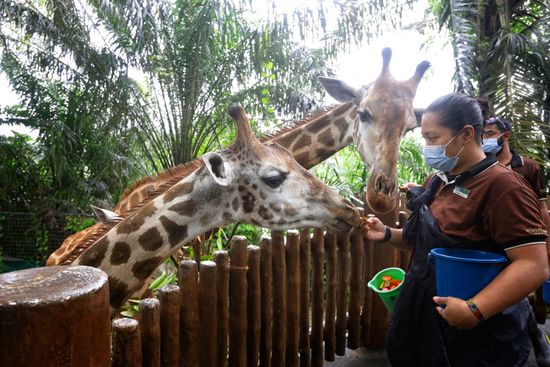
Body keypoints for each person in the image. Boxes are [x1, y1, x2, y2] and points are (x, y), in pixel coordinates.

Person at [362, 93, 549, 366]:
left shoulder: (503, 187)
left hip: (477, 334)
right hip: (424, 320)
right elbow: (425, 242)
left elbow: (534, 265)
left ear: (465, 135)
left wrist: (475, 309)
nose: (427, 146)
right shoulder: (437, 182)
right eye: (424, 138)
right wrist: (387, 234)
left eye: (434, 138)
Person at [482, 115, 550, 366]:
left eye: (489, 133)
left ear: (505, 136)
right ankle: (532, 337)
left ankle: (535, 338)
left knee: (516, 291)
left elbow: (542, 209)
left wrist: (547, 243)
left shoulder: (528, 167)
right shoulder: (482, 166)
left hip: (522, 240)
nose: (484, 139)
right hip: (492, 240)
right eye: (482, 134)